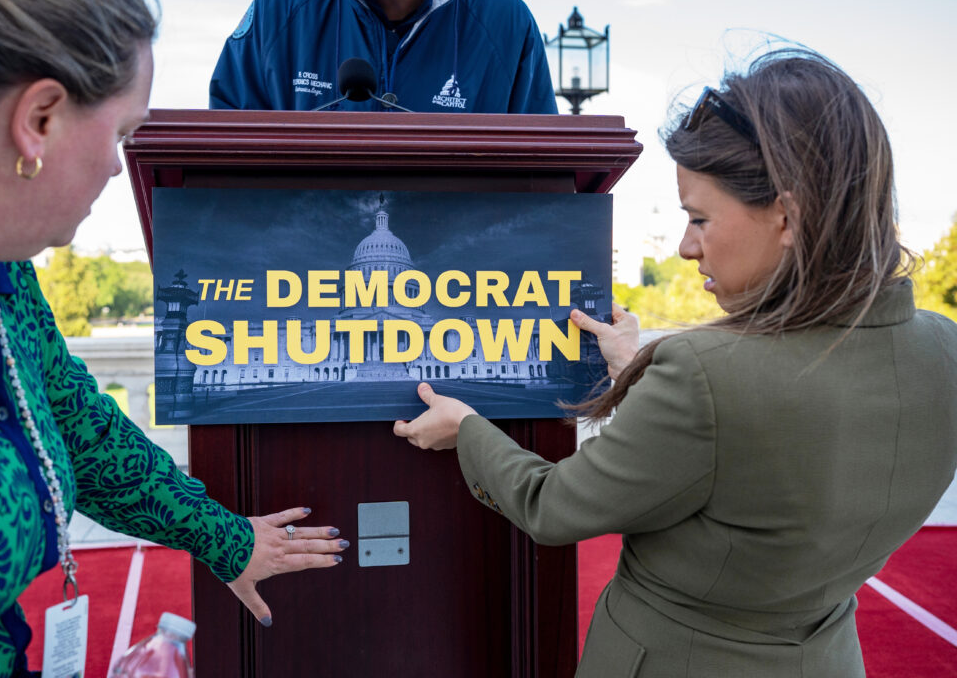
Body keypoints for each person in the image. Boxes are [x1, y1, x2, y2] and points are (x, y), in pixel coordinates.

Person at [393, 49, 957, 676]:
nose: (686, 246)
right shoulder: (943, 348)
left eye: (699, 218)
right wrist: (636, 367)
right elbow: (755, 456)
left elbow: (552, 506)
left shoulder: (705, 373)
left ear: (788, 217)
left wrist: (466, 428)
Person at [0, 0, 347, 676]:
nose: (116, 167)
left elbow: (77, 427)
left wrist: (226, 538)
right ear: (39, 120)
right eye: (122, 132)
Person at [208, 0, 558, 114]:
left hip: (456, 246)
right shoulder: (285, 0)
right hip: (298, 243)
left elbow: (541, 180)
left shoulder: (507, 24)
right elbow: (225, 149)